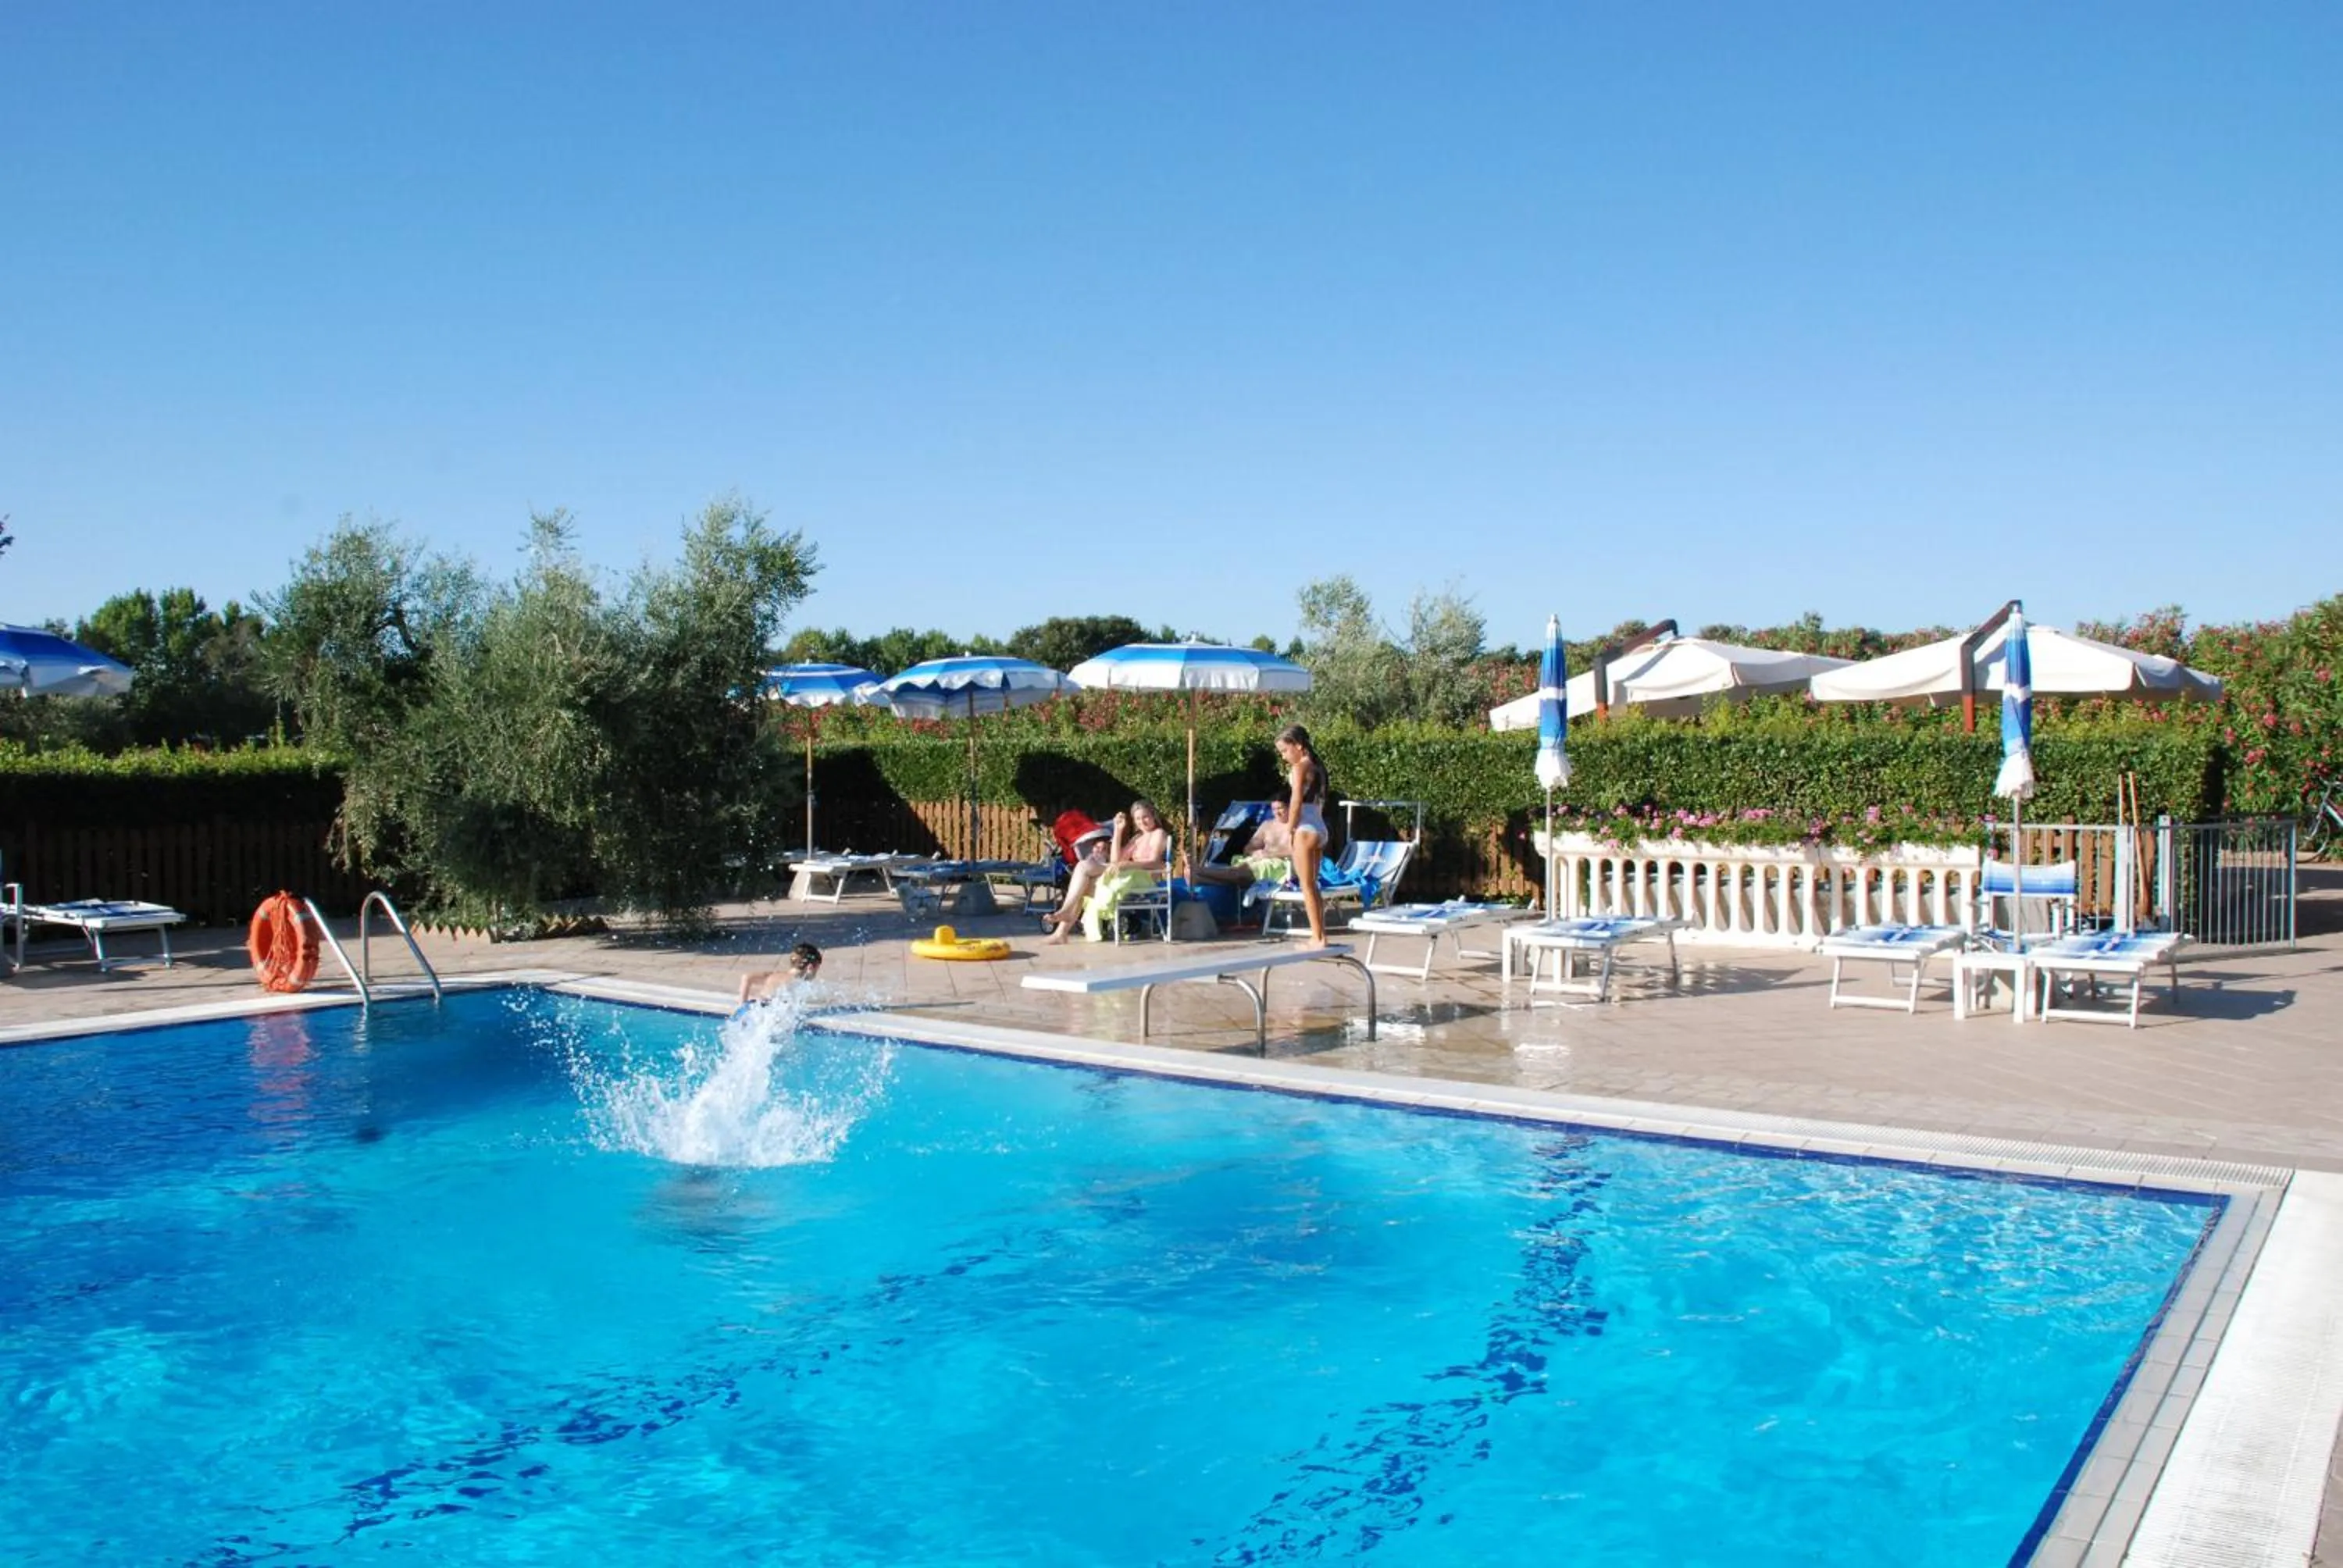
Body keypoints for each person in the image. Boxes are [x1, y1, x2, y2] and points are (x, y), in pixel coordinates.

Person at [1042, 798, 1172, 944]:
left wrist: (1129, 865)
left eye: (1145, 817)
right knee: (1083, 868)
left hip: (1143, 879)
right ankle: (1063, 926)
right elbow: (1116, 860)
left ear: (1153, 815)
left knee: (1083, 879)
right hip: (1128, 875)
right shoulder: (1138, 837)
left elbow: (1155, 863)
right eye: (1138, 819)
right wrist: (1118, 830)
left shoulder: (1159, 834)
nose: (1142, 822)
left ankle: (1063, 926)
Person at [1275, 724, 1331, 946]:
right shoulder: (1317, 766)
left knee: (1306, 886)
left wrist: (1290, 828)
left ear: (1298, 745)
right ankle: (1320, 935)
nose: (1284, 756)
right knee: (1313, 885)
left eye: (1285, 750)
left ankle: (1317, 938)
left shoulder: (1300, 767)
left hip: (1305, 828)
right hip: (1319, 826)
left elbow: (1296, 800)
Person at [1193, 799, 1296, 889]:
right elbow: (1248, 849)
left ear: (1290, 807)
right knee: (1241, 869)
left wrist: (1270, 854)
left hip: (1282, 865)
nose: (1277, 813)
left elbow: (1298, 852)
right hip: (1260, 861)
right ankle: (1199, 876)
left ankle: (1200, 872)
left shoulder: (1298, 827)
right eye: (1274, 809)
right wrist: (1256, 853)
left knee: (1240, 873)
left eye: (1280, 808)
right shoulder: (1267, 825)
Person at [736, 941, 822, 1003]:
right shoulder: (798, 983)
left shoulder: (774, 975)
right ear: (811, 968)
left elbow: (747, 977)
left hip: (758, 1007)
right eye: (817, 970)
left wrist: (742, 1005)